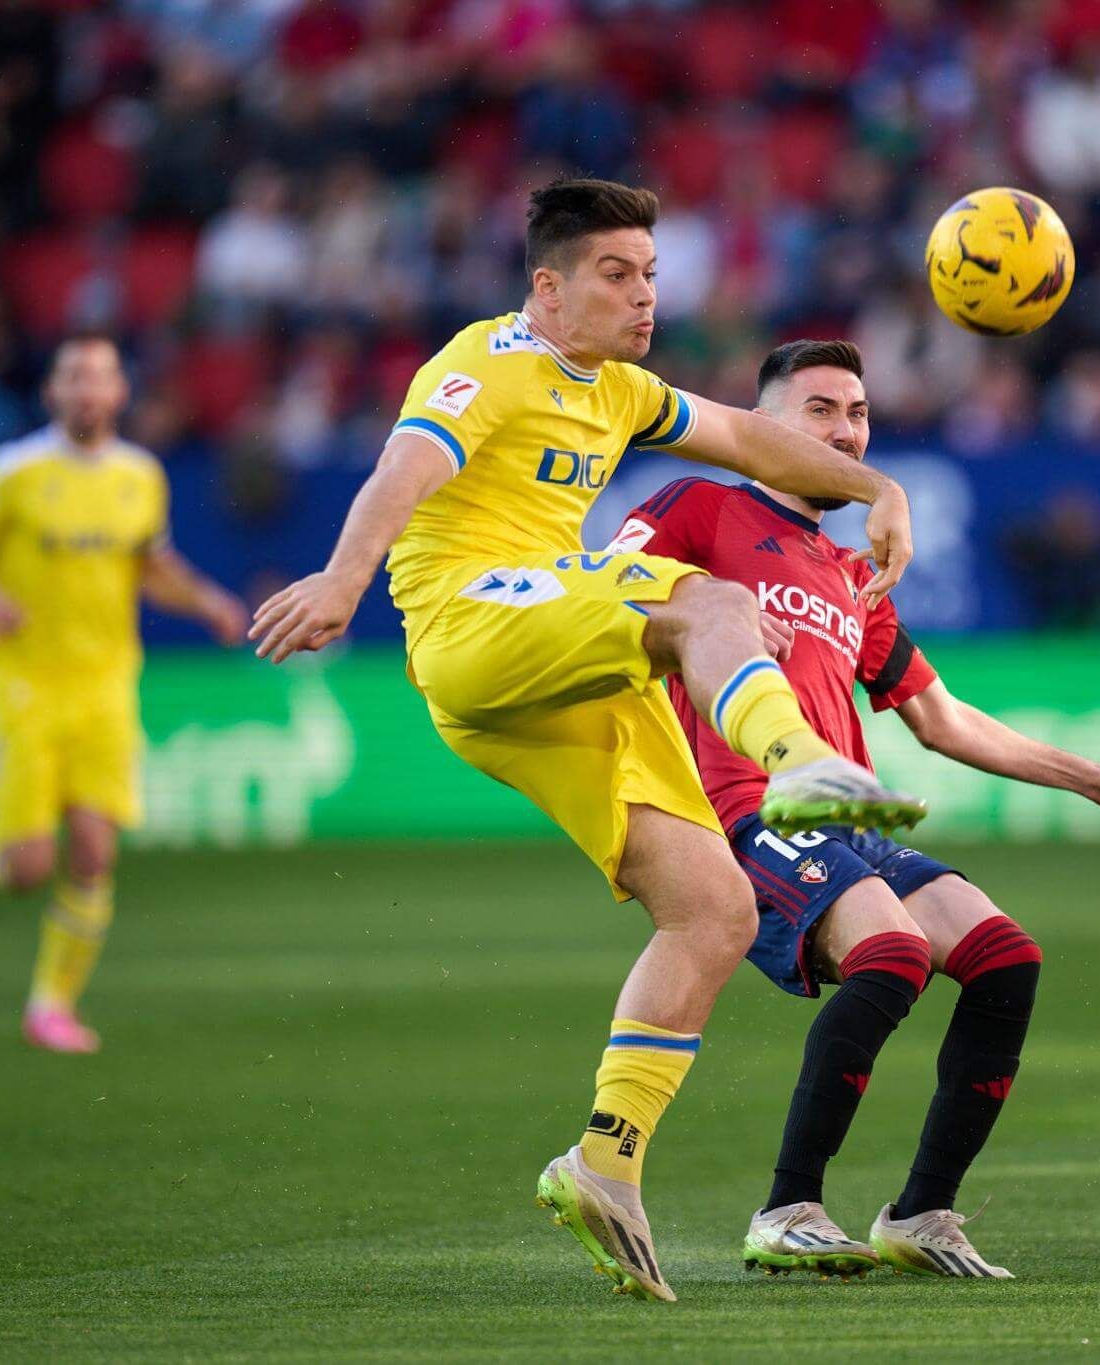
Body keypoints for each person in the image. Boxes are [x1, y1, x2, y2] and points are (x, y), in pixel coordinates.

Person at [247, 178, 927, 1303]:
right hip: (475, 623)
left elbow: (752, 437)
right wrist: (341, 576)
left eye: (651, 275)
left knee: (714, 908)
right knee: (708, 601)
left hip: (558, 665)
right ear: (547, 288)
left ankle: (602, 1164)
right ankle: (799, 761)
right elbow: (402, 471)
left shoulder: (619, 389)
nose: (642, 296)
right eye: (616, 275)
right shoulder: (484, 362)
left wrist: (873, 484)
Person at [609, 339, 1100, 1279]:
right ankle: (788, 1206)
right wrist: (698, 609)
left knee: (1006, 959)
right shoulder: (700, 506)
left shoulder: (849, 573)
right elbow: (603, 586)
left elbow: (942, 719)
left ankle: (921, 1214)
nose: (847, 430)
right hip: (748, 808)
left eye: (859, 412)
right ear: (768, 427)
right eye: (821, 409)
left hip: (851, 824)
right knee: (895, 952)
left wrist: (1087, 776)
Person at [0, 332, 247, 1054]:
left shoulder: (140, 475)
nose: (88, 389)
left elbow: (150, 565)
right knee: (26, 867)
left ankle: (52, 1004)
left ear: (120, 393)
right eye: (73, 375)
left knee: (95, 851)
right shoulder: (15, 470)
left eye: (100, 377)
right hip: (25, 688)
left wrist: (209, 602)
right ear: (52, 392)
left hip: (106, 688)